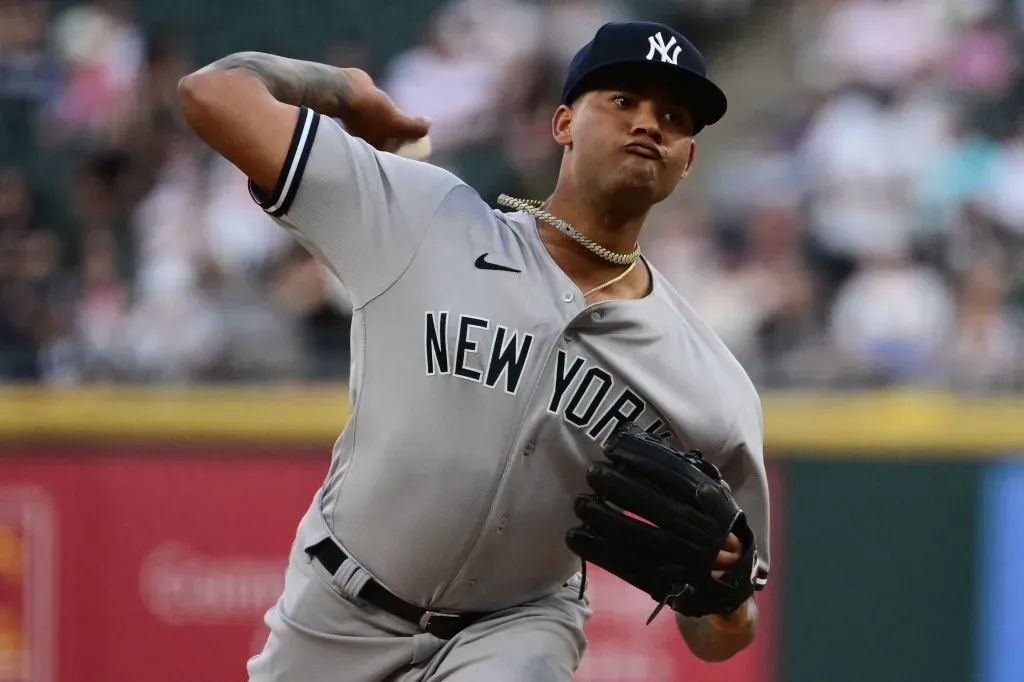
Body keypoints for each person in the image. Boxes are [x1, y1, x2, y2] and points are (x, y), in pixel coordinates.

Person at [178, 19, 771, 681]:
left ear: (687, 160)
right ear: (563, 123)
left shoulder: (708, 382)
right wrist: (344, 92)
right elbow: (214, 93)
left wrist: (723, 599)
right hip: (337, 607)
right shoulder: (426, 221)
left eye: (674, 115)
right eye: (623, 101)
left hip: (519, 628)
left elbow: (721, 634)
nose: (648, 124)